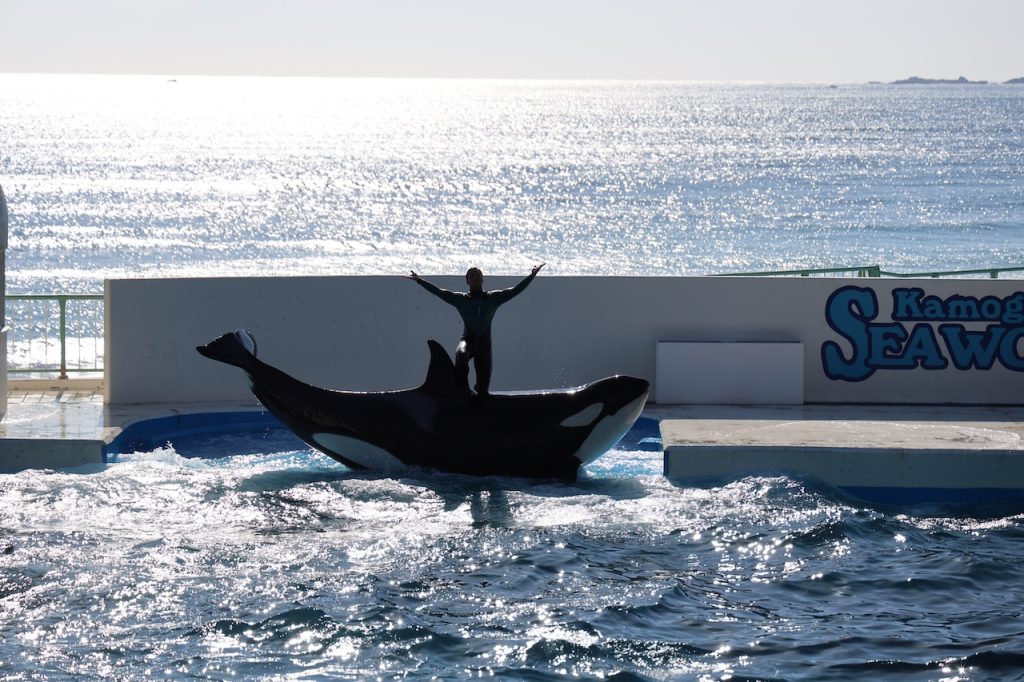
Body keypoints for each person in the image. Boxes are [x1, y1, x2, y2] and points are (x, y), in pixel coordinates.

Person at [406, 264, 545, 396]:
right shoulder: (460, 299)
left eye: (478, 275)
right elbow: (440, 292)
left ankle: (479, 395)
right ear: (467, 281)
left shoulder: (493, 298)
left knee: (483, 389)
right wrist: (420, 281)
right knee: (461, 355)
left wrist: (531, 276)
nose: (475, 277)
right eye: (472, 275)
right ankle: (463, 391)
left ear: (483, 279)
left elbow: (515, 291)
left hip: (484, 346)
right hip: (468, 341)